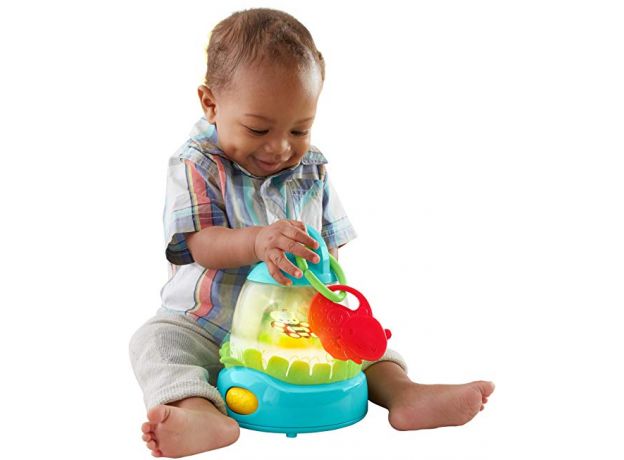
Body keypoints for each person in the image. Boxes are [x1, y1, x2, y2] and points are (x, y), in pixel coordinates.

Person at [129, 8, 495, 458]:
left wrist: (334, 304)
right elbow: (200, 242)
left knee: (365, 342)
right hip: (206, 323)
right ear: (211, 104)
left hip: (295, 326)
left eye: (299, 129)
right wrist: (258, 241)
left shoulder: (312, 167)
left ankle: (404, 394)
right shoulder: (196, 164)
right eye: (258, 128)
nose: (281, 146)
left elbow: (331, 246)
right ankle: (200, 412)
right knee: (156, 343)